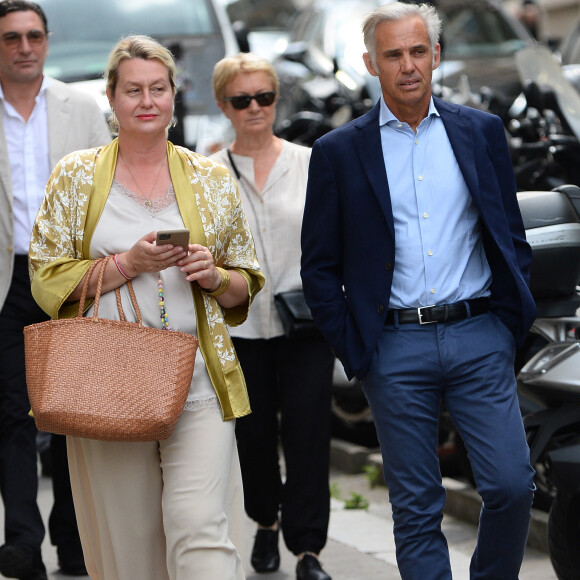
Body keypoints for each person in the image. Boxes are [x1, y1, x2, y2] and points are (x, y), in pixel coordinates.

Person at [300, 3, 537, 579]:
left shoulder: (481, 132)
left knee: (510, 486)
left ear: (436, 55)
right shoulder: (338, 151)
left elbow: (509, 234)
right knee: (416, 508)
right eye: (392, 55)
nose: (407, 65)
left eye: (417, 51)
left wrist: (507, 325)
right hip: (394, 346)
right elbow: (319, 266)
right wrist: (358, 347)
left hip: (479, 334)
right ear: (370, 64)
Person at [28, 35, 264, 580]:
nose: (146, 100)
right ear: (111, 98)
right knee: (132, 545)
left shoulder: (209, 179)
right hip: (108, 382)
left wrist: (214, 274)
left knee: (200, 526)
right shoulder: (75, 175)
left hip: (199, 379)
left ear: (174, 97)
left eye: (158, 88)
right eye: (132, 89)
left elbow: (245, 285)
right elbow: (45, 278)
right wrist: (128, 264)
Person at [211, 52, 335, 580]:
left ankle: (308, 550)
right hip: (238, 328)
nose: (255, 108)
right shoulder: (208, 170)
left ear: (276, 99)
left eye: (264, 96)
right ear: (224, 105)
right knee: (253, 438)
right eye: (242, 100)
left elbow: (335, 236)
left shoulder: (310, 162)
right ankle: (264, 521)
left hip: (305, 324)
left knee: (309, 433)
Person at [0, 1, 111, 578]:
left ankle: (75, 542)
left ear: (47, 40)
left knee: (70, 411)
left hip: (69, 276)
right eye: (12, 37)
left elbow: (106, 187)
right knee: (12, 411)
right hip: (4, 281)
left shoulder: (82, 106)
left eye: (33, 36)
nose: (24, 47)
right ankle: (22, 541)